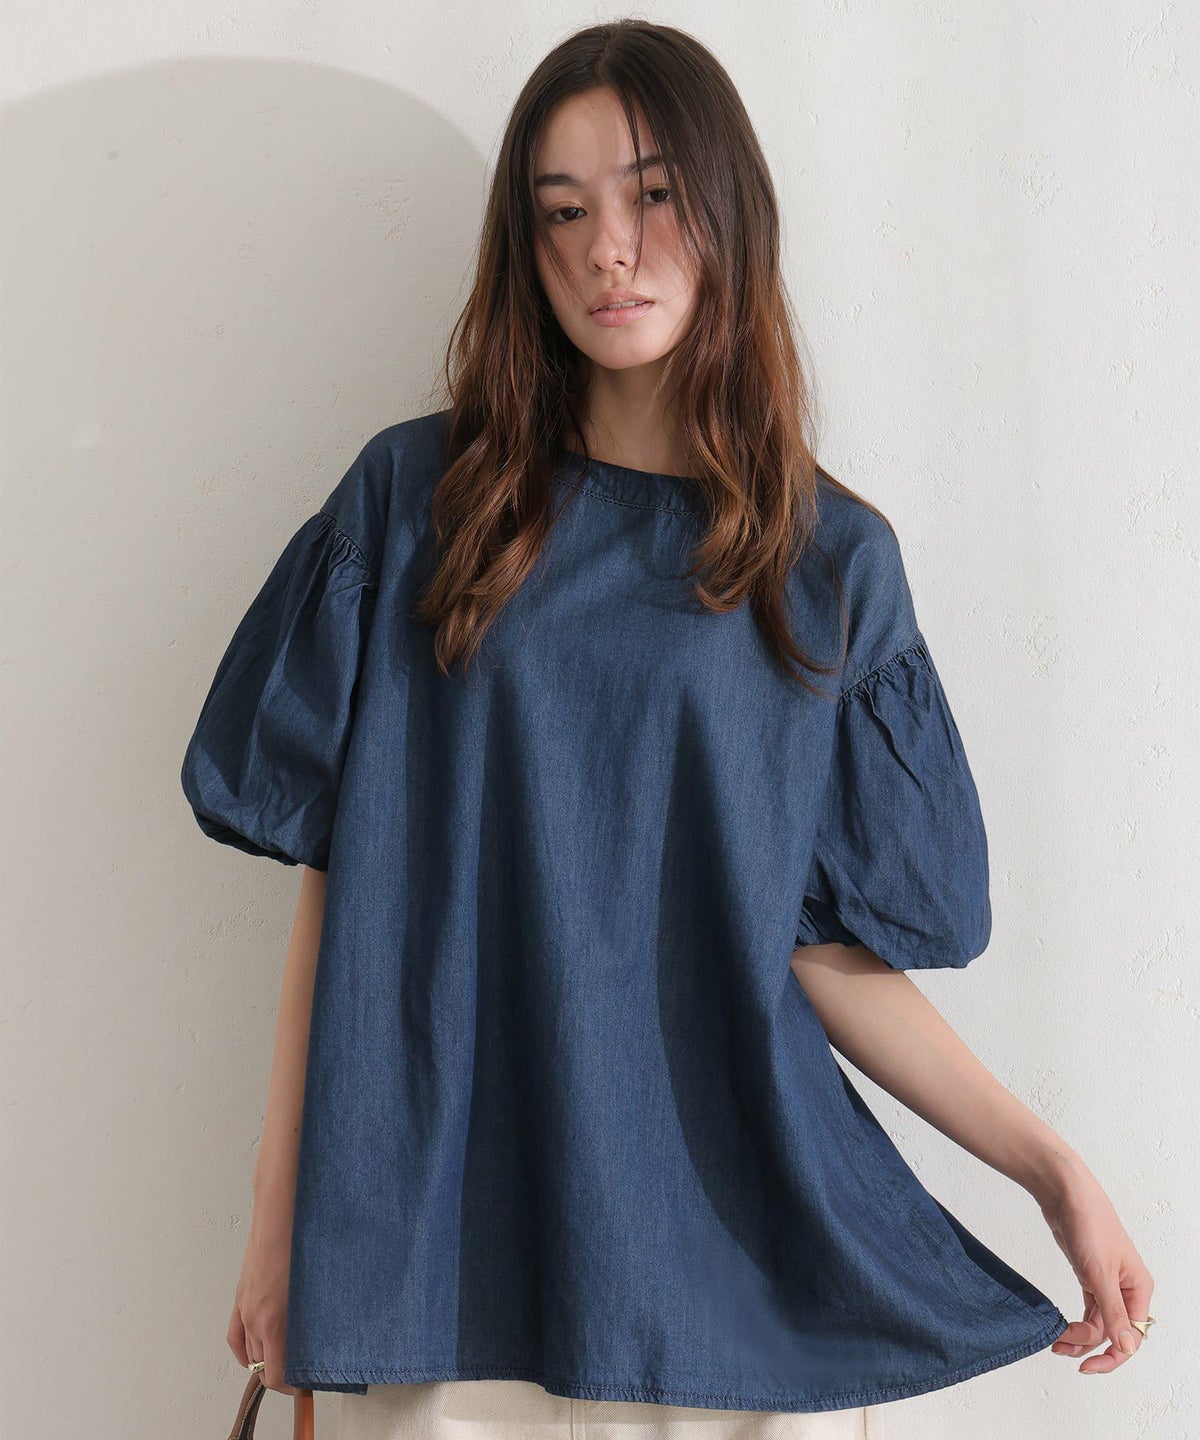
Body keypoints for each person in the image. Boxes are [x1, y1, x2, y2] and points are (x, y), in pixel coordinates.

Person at [179, 19, 1155, 1440]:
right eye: (562, 212)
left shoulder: (826, 566)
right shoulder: (415, 508)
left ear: (731, 212)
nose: (607, 251)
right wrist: (280, 1225)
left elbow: (818, 949)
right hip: (448, 1269)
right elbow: (344, 885)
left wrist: (1051, 1171)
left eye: (651, 197)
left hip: (742, 1289)